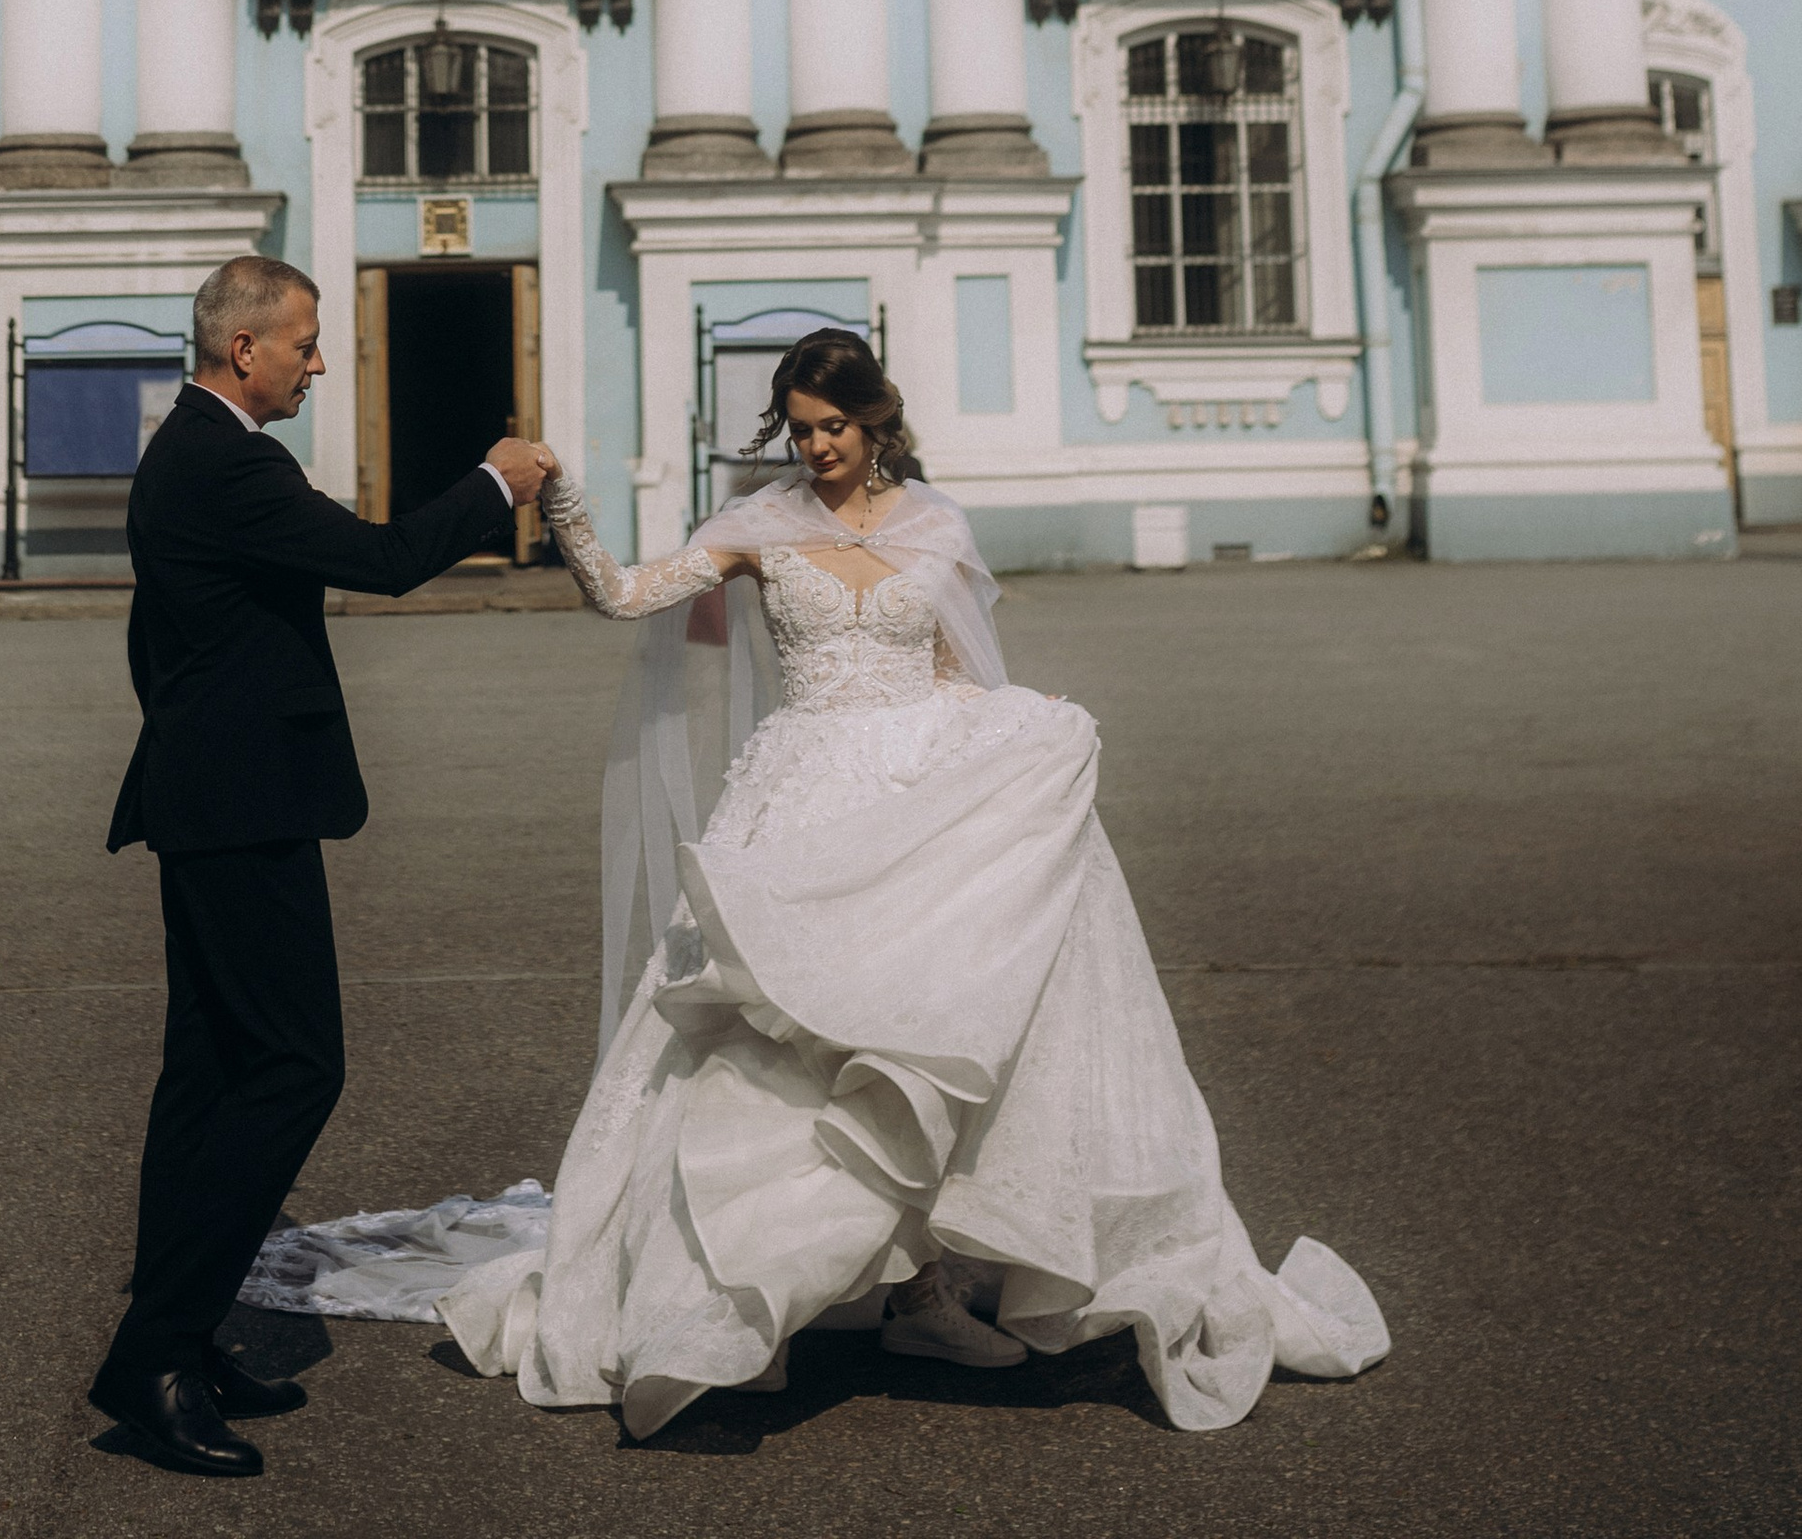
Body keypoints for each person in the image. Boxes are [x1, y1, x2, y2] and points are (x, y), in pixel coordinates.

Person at [433, 327, 1388, 1436]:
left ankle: (925, 1290)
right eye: (798, 429)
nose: (817, 447)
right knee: (772, 1041)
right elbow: (623, 595)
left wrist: (1013, 754)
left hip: (913, 784)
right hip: (798, 791)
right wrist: (564, 506)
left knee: (925, 1033)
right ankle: (738, 1300)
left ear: (875, 420)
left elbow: (953, 670)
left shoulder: (936, 524)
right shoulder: (756, 523)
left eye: (833, 426)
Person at [91, 251, 555, 1479]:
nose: (317, 358)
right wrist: (493, 482)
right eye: (302, 340)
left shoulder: (197, 450)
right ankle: (154, 1354)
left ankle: (187, 1335)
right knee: (296, 1069)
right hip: (237, 811)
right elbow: (386, 559)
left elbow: (168, 643)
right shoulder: (225, 459)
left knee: (210, 1075)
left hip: (216, 800)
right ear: (244, 349)